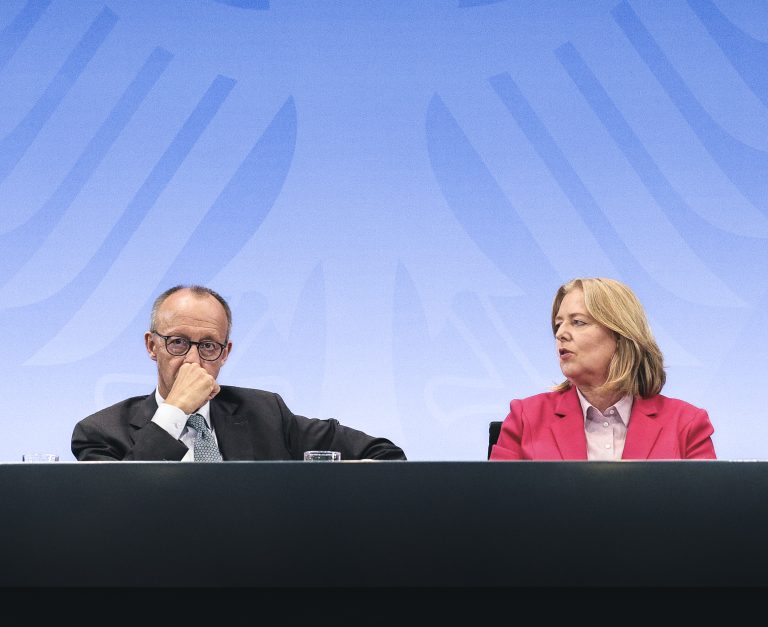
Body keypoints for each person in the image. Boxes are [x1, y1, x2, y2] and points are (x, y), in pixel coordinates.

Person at [72, 284, 406, 461]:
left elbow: (385, 456)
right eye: (177, 343)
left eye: (208, 346)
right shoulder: (100, 432)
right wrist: (174, 412)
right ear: (151, 346)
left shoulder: (266, 414)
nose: (192, 360)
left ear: (225, 353)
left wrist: (331, 485)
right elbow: (117, 511)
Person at [489, 277, 716, 460]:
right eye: (558, 324)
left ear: (620, 335)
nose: (560, 334)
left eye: (578, 322)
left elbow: (706, 512)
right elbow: (493, 509)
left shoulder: (687, 424)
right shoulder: (525, 418)